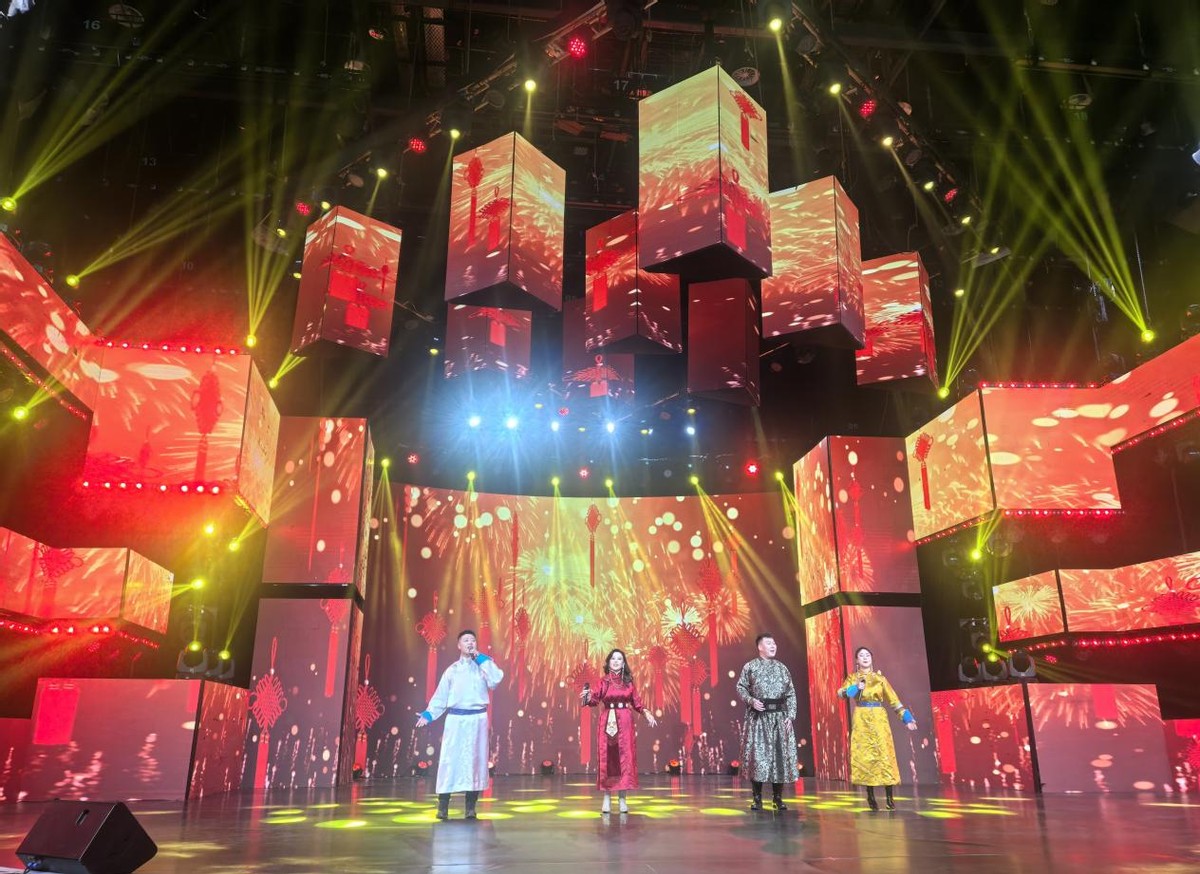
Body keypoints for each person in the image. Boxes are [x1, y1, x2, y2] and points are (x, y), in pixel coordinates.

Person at [416, 629, 504, 820]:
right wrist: (429, 714)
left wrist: (480, 658)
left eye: (473, 640)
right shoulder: (452, 670)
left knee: (476, 762)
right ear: (459, 645)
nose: (470, 643)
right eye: (466, 640)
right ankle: (443, 806)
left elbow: (496, 679)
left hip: (478, 720)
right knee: (450, 761)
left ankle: (470, 807)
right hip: (456, 720)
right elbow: (441, 696)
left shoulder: (483, 666)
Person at [838, 646, 917, 811]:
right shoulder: (853, 678)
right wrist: (856, 687)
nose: (865, 657)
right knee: (867, 756)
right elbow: (841, 694)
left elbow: (894, 700)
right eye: (861, 655)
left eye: (867, 655)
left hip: (879, 718)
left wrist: (907, 719)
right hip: (862, 718)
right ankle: (870, 795)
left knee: (884, 754)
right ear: (857, 660)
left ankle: (889, 797)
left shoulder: (880, 679)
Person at [580, 648, 657, 814]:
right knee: (607, 759)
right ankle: (606, 798)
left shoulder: (628, 682)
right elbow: (594, 700)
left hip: (625, 721)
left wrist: (647, 713)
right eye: (613, 658)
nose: (616, 661)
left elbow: (637, 703)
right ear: (608, 662)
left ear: (623, 663)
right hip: (607, 720)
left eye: (619, 659)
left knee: (625, 759)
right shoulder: (603, 682)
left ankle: (622, 799)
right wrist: (586, 697)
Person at [736, 633, 799, 811]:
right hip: (759, 718)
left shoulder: (782, 668)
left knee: (779, 758)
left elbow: (791, 693)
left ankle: (777, 798)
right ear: (760, 647)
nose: (773, 646)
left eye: (774, 643)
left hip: (779, 718)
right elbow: (740, 687)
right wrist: (751, 701)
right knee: (759, 758)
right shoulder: (751, 666)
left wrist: (790, 715)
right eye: (769, 643)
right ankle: (757, 798)